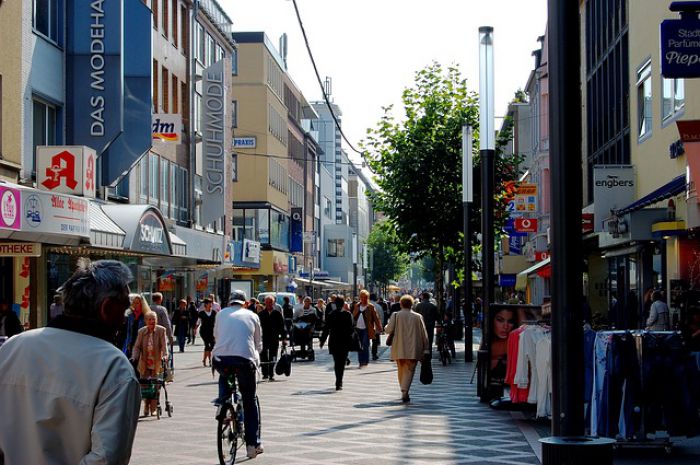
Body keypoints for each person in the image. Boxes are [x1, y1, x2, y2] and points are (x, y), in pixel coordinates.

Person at [0, 259, 140, 464]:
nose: (125, 318)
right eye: (125, 309)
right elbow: (107, 459)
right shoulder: (114, 367)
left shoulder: (13, 347)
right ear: (107, 308)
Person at [212, 290, 263, 459]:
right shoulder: (252, 315)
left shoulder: (220, 314)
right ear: (245, 303)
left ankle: (223, 402)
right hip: (244, 361)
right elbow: (258, 344)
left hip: (221, 359)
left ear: (229, 302)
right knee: (249, 401)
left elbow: (216, 335)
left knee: (224, 373)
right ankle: (252, 444)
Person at [384, 294, 429, 403]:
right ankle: (405, 391)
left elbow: (388, 330)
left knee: (401, 370)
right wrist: (426, 349)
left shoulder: (396, 315)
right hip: (414, 348)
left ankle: (404, 390)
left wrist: (386, 326)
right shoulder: (418, 317)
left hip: (399, 347)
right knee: (410, 370)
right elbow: (424, 334)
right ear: (411, 304)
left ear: (401, 304)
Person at [131, 311, 167, 416]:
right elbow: (137, 347)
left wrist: (165, 356)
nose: (152, 321)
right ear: (146, 321)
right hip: (145, 362)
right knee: (145, 386)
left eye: (154, 319)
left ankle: (153, 408)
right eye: (150, 319)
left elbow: (164, 346)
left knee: (156, 385)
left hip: (157, 362)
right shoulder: (141, 332)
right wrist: (134, 357)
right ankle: (146, 405)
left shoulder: (161, 330)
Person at [319, 296, 354, 390]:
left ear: (335, 304)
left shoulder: (331, 314)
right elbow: (351, 329)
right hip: (344, 341)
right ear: (343, 304)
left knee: (337, 362)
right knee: (341, 362)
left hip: (334, 341)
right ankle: (339, 381)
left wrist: (322, 341)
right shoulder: (348, 314)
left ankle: (338, 380)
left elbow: (326, 328)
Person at [352, 290, 382, 368]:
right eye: (361, 297)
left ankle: (365, 360)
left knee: (365, 344)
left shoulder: (370, 306)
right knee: (359, 345)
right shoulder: (357, 305)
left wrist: (379, 327)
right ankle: (361, 361)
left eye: (365, 297)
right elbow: (353, 316)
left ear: (367, 298)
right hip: (358, 328)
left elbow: (376, 318)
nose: (363, 299)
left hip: (366, 329)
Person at [258, 295, 286, 381]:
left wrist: (284, 338)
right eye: (267, 302)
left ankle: (271, 373)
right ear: (265, 303)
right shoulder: (260, 314)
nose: (269, 304)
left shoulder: (277, 314)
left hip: (274, 337)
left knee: (273, 355)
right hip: (264, 338)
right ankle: (265, 373)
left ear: (273, 303)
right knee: (263, 355)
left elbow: (282, 327)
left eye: (270, 302)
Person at [489, 307, 518, 386]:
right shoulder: (488, 342)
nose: (505, 326)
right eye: (500, 320)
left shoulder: (514, 342)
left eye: (510, 321)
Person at [118, 293, 151, 358]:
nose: (135, 305)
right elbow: (129, 332)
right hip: (132, 343)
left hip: (142, 344)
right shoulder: (130, 315)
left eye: (137, 303)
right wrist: (128, 344)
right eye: (134, 303)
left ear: (142, 304)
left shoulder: (146, 315)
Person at [198, 298, 217, 366]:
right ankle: (209, 361)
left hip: (212, 331)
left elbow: (216, 322)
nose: (211, 304)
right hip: (204, 331)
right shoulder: (201, 313)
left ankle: (205, 360)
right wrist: (195, 329)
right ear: (206, 304)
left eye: (211, 303)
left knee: (212, 346)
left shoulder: (214, 312)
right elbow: (198, 322)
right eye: (209, 303)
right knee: (207, 345)